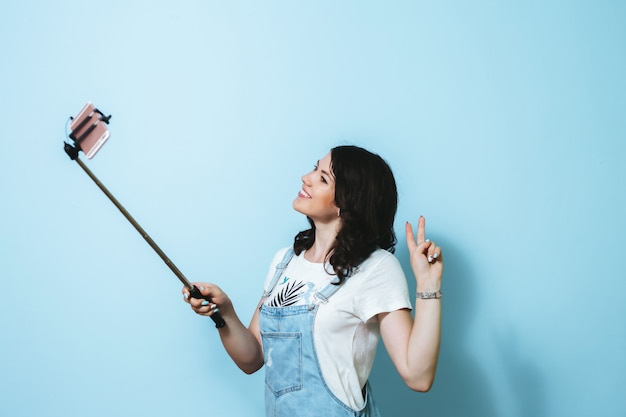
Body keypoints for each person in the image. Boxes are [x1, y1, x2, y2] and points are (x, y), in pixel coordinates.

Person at [183, 145, 443, 417]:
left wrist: (428, 285)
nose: (306, 177)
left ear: (347, 202)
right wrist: (224, 313)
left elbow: (418, 377)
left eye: (322, 178)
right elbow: (252, 358)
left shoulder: (376, 268)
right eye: (314, 168)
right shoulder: (285, 261)